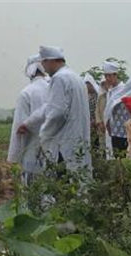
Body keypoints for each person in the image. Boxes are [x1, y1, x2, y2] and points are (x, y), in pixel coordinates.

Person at [37, 45, 92, 175]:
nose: (43, 67)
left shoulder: (59, 79)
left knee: (64, 184)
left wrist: (44, 134)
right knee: (78, 181)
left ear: (52, 60)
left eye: (44, 62)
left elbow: (57, 113)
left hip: (64, 144)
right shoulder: (75, 77)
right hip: (78, 140)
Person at [7, 54, 49, 185]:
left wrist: (13, 156)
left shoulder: (27, 93)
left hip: (32, 150)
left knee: (31, 190)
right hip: (53, 150)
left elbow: (19, 127)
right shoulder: (53, 88)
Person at [102, 61, 131, 157]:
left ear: (116, 75)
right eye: (106, 76)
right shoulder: (110, 91)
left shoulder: (124, 90)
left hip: (124, 131)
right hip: (113, 131)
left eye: (110, 76)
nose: (108, 79)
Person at [83, 73, 100, 151]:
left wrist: (94, 119)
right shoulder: (86, 95)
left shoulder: (97, 95)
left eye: (87, 84)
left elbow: (98, 109)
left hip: (96, 122)